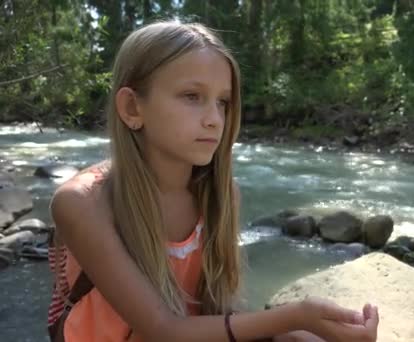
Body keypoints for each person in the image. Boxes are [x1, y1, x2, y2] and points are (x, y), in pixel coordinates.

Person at [47, 21, 379, 342]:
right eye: (192, 96)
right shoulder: (83, 202)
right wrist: (296, 315)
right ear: (132, 107)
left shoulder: (220, 195)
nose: (214, 120)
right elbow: (163, 330)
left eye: (222, 102)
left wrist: (295, 331)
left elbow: (220, 310)